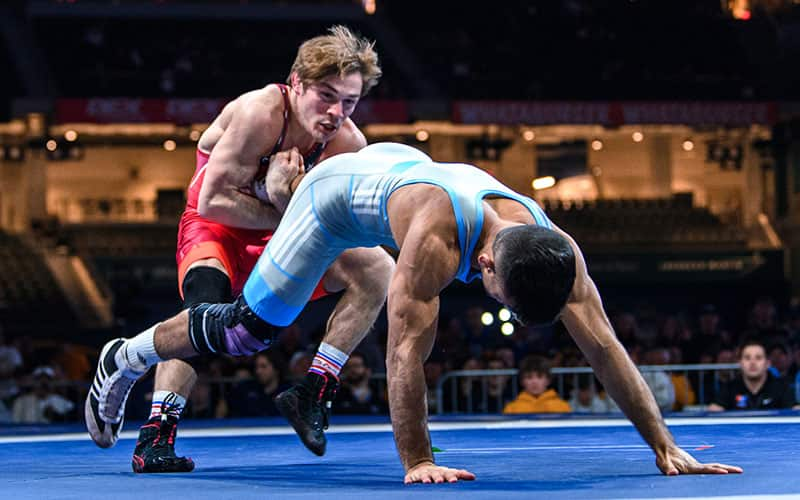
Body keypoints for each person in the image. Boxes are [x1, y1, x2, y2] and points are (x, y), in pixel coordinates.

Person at [88, 142, 742, 483]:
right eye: (505, 305)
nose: (501, 315)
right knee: (244, 332)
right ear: (486, 268)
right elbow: (405, 352)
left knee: (369, 283)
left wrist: (665, 445)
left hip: (399, 168)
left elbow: (604, 348)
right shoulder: (434, 243)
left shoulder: (554, 250)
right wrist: (416, 458)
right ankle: (126, 355)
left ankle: (312, 388)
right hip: (331, 201)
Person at [86, 26, 396, 474]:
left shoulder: (349, 144)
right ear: (297, 83)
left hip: (277, 230)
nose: (335, 112)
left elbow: (337, 226)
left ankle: (315, 389)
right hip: (215, 226)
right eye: (325, 96)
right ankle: (155, 432)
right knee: (204, 316)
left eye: (348, 101)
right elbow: (214, 200)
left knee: (376, 269)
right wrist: (284, 204)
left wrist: (287, 203)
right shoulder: (259, 112)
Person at [708, 339, 797, 411]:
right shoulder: (729, 388)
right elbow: (714, 410)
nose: (752, 363)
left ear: (767, 363)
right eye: (747, 358)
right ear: (740, 363)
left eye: (758, 358)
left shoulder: (782, 387)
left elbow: (794, 411)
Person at [503, 355, 570, 414]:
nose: (534, 382)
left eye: (539, 376)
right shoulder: (512, 408)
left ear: (548, 380)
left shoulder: (562, 406)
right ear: (522, 381)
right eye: (529, 377)